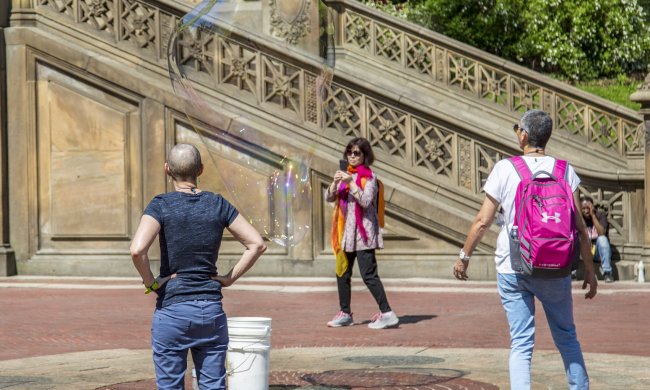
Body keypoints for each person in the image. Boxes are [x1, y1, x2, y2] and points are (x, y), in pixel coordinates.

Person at [453, 110, 598, 389]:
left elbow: (482, 221)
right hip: (556, 266)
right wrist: (589, 272)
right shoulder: (565, 170)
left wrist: (464, 257)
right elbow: (580, 227)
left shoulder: (505, 169)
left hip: (514, 266)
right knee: (567, 337)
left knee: (521, 342)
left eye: (517, 127)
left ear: (524, 135)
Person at [130, 143, 266, 390]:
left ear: (167, 169)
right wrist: (228, 278)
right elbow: (256, 244)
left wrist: (150, 282)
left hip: (172, 311)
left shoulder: (160, 204)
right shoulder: (217, 204)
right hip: (211, 313)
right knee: (213, 386)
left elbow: (137, 250)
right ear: (200, 170)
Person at [326, 137, 398, 329]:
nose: (352, 156)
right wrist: (335, 183)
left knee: (368, 275)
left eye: (356, 153)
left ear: (365, 155)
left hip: (363, 234)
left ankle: (387, 313)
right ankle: (345, 313)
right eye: (349, 152)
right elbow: (329, 198)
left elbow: (366, 202)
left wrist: (352, 183)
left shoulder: (369, 178)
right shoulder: (345, 175)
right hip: (345, 233)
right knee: (342, 273)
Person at [580, 196, 614, 283]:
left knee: (602, 239)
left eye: (588, 208)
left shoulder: (600, 215)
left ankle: (607, 273)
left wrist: (593, 215)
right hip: (583, 253)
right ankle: (572, 272)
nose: (586, 211)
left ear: (593, 207)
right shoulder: (579, 218)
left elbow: (602, 233)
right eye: (583, 209)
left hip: (597, 253)